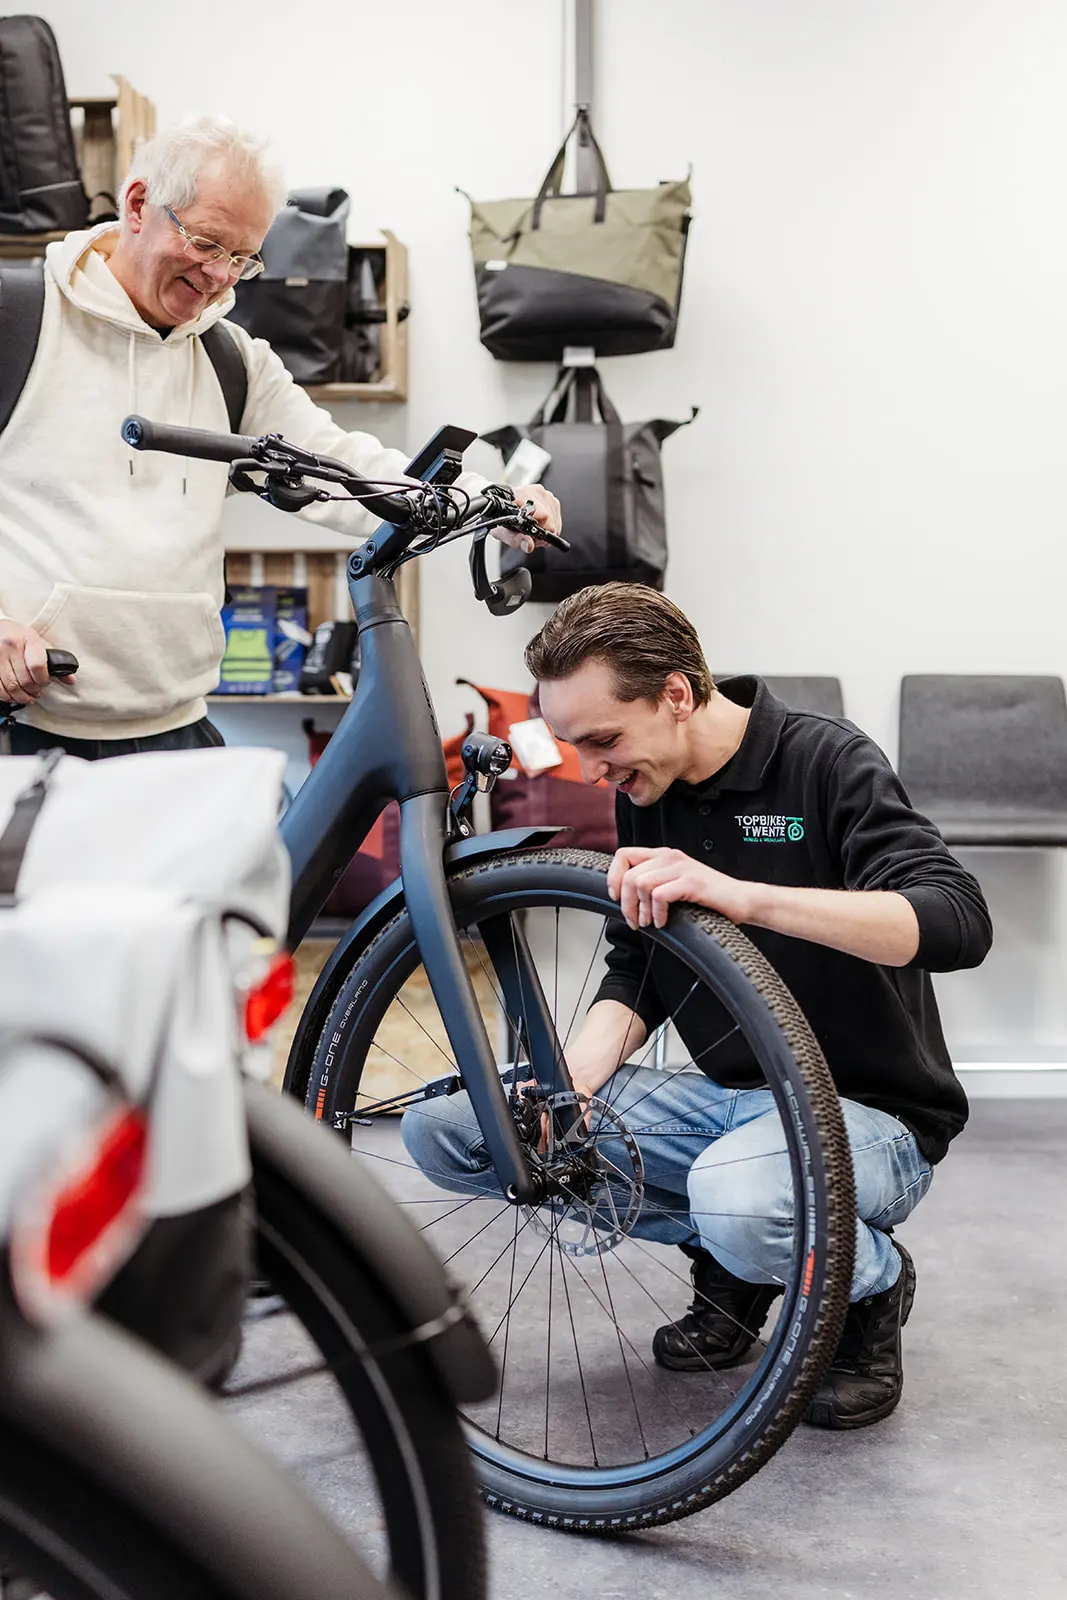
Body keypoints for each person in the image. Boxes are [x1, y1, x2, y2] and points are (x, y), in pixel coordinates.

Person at [402, 583, 992, 1430]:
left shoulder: (824, 760)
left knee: (738, 1194)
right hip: (726, 1108)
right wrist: (565, 1087)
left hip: (869, 1116)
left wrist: (742, 897)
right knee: (460, 1129)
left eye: (602, 740)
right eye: (573, 746)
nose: (591, 769)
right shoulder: (645, 786)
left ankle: (867, 1289)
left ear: (677, 694)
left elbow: (957, 920)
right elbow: (639, 961)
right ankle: (732, 1259)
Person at [0, 116, 560, 758]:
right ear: (138, 205)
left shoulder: (230, 359)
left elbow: (345, 468)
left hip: (178, 726)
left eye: (243, 257)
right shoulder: (19, 321)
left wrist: (491, 503)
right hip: (25, 730)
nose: (221, 275)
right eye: (207, 243)